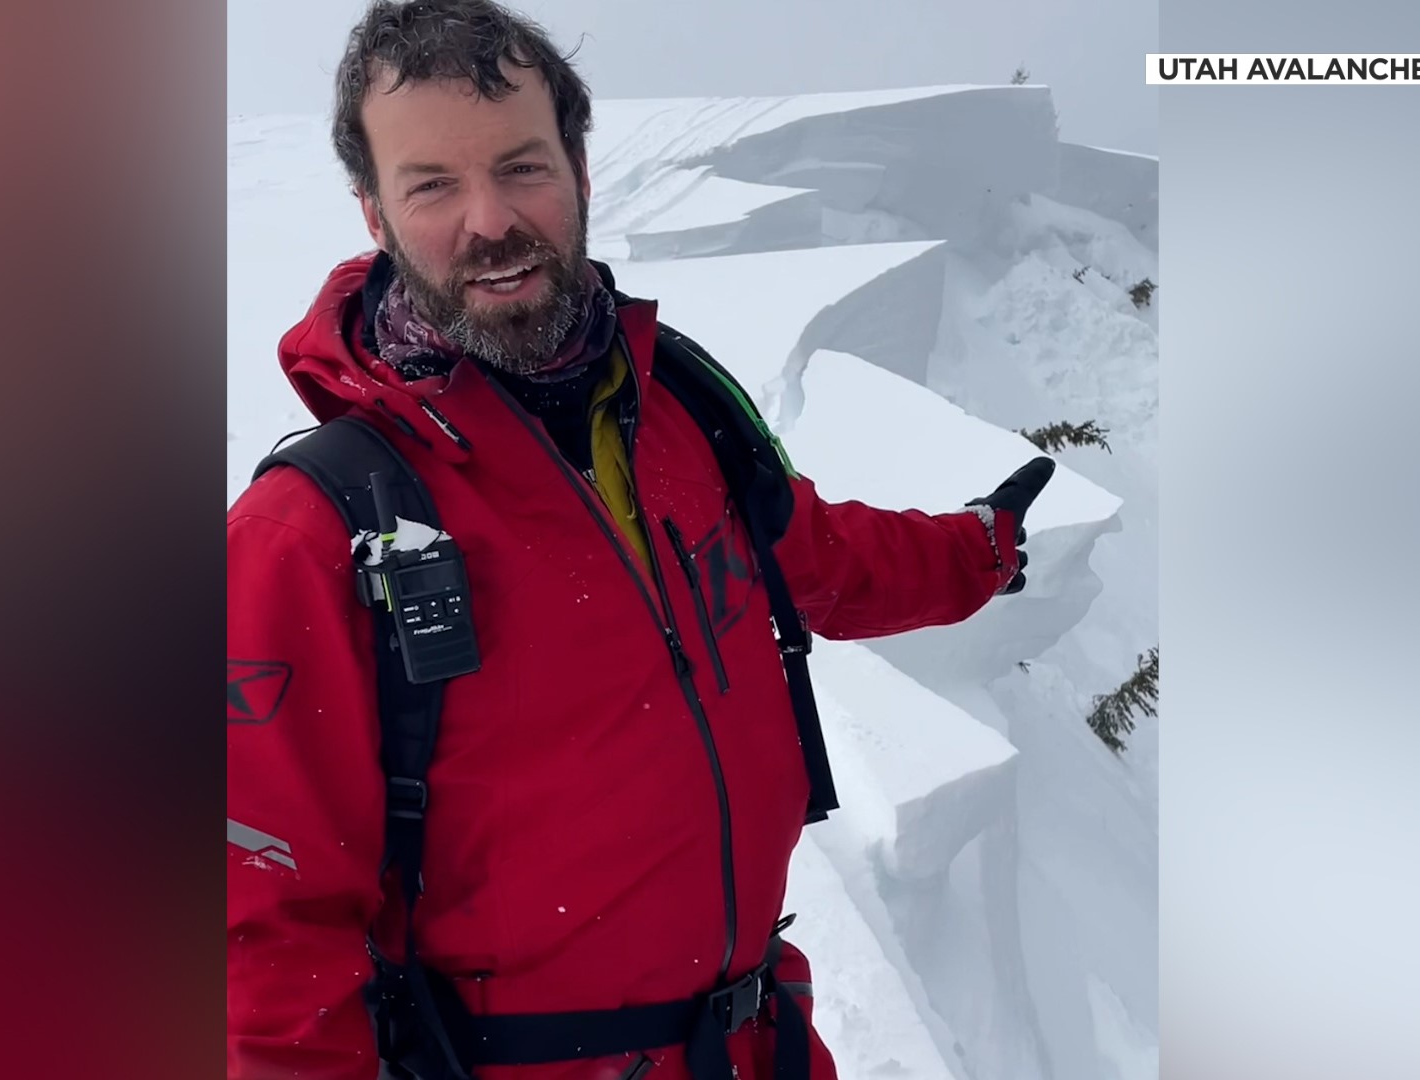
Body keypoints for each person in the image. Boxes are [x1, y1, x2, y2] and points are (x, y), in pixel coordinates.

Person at [226, 2, 1056, 1077]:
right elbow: (264, 946)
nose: (488, 220)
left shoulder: (675, 411)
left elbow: (816, 562)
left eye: (522, 167)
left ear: (578, 167)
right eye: (432, 183)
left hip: (760, 1044)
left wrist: (976, 550)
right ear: (374, 214)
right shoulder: (310, 533)